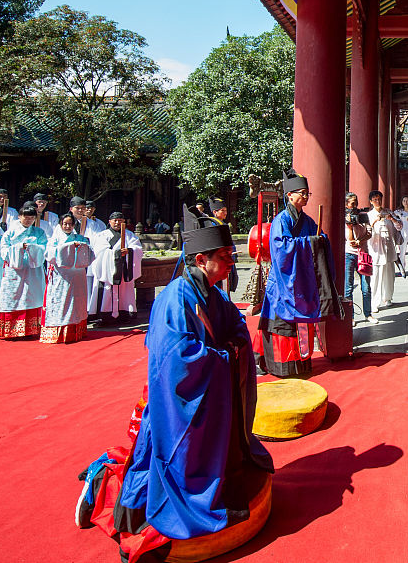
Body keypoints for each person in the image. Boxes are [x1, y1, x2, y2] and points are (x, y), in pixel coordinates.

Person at [75, 216, 272, 562]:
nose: (230, 262)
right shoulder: (174, 299)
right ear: (200, 260)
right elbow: (178, 360)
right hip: (175, 404)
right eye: (224, 256)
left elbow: (237, 324)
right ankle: (100, 482)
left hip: (207, 397)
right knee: (155, 472)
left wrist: (233, 347)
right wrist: (224, 355)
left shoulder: (210, 292)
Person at [255, 169, 339, 378]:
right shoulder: (281, 220)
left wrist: (321, 240)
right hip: (284, 280)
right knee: (282, 324)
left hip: (300, 280)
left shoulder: (308, 220)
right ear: (289, 195)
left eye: (307, 193)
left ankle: (301, 363)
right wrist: (310, 243)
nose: (305, 196)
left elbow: (319, 237)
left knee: (300, 321)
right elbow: (281, 248)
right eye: (301, 192)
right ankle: (278, 365)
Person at [0, 204, 48, 338]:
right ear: (19, 217)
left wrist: (32, 248)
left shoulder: (39, 232)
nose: (28, 220)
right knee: (13, 297)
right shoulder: (10, 233)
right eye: (25, 217)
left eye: (31, 218)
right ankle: (10, 329)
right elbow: (4, 250)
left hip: (33, 270)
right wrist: (18, 248)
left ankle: (33, 328)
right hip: (15, 270)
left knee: (32, 296)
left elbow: (44, 248)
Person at [43, 213, 96, 343]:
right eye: (65, 224)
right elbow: (49, 255)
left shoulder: (81, 238)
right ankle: (59, 331)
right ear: (60, 225)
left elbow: (91, 255)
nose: (67, 226)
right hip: (61, 275)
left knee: (76, 302)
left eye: (70, 224)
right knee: (61, 301)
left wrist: (83, 247)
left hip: (77, 275)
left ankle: (76, 330)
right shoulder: (54, 239)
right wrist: (68, 247)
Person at [88, 211, 143, 325]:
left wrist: (129, 251)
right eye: (115, 220)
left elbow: (137, 248)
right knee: (106, 291)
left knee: (124, 291)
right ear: (110, 222)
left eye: (120, 220)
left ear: (124, 222)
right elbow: (99, 251)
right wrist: (116, 254)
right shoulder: (102, 235)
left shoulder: (130, 235)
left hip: (124, 269)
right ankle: (104, 315)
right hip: (107, 271)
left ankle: (125, 314)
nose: (117, 223)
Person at [367, 190, 400, 318]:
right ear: (371, 201)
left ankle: (388, 297)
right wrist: (375, 221)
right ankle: (374, 302)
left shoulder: (389, 212)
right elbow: (367, 230)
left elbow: (399, 226)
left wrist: (391, 218)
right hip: (376, 249)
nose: (377, 201)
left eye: (379, 199)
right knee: (376, 276)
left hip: (389, 247)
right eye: (375, 199)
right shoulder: (369, 215)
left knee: (389, 274)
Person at [342, 193, 372, 323]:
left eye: (356, 202)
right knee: (348, 287)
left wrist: (361, 240)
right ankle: (351, 316)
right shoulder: (344, 217)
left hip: (363, 253)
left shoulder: (363, 216)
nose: (354, 206)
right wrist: (349, 225)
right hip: (349, 253)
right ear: (346, 204)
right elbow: (350, 240)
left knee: (366, 286)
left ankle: (368, 313)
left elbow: (369, 233)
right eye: (352, 203)